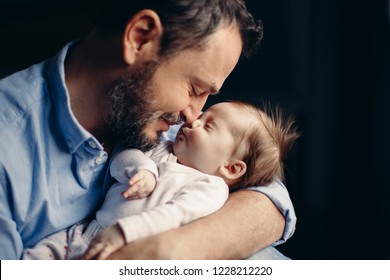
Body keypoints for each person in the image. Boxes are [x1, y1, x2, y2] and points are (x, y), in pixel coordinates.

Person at [0, 0, 296, 260]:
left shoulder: (162, 121)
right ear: (140, 38)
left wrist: (177, 249)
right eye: (194, 88)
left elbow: (269, 195)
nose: (193, 115)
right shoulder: (8, 149)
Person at [22, 101, 299, 260]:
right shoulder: (163, 147)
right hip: (85, 231)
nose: (192, 121)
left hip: (127, 245)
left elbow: (172, 215)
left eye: (208, 125)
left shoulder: (210, 189)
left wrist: (124, 232)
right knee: (37, 256)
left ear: (231, 167)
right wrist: (143, 169)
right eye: (202, 116)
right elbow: (123, 153)